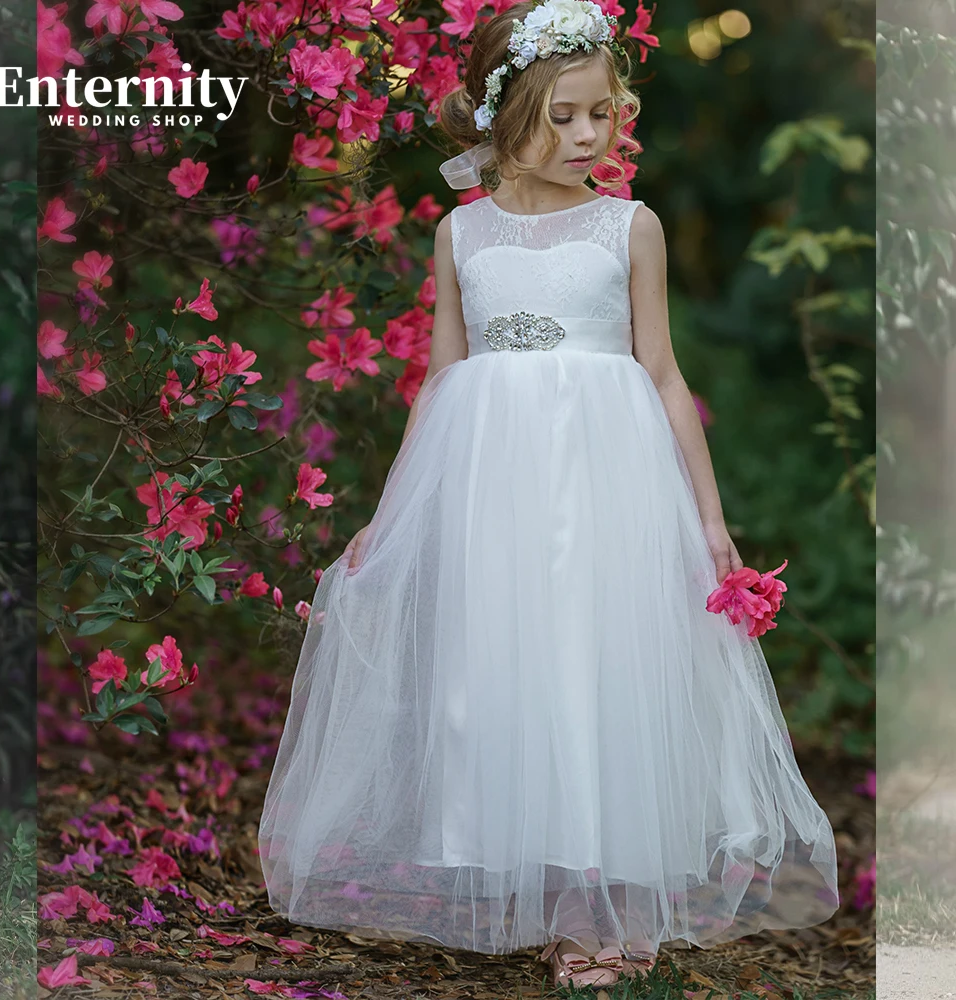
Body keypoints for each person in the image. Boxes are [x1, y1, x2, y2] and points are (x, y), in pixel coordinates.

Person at [258, 0, 839, 989]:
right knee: (512, 666)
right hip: (494, 481)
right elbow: (441, 376)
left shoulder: (630, 226)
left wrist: (706, 516)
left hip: (609, 475)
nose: (588, 136)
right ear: (505, 116)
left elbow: (659, 371)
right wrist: (389, 513)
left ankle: (602, 897)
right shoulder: (461, 234)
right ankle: (550, 888)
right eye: (562, 116)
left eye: (602, 114)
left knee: (597, 660)